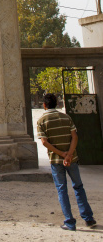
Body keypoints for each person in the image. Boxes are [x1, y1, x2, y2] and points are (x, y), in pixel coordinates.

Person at [37, 92, 97, 231]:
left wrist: (61, 154)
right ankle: (88, 218)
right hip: (72, 159)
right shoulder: (66, 117)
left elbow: (45, 142)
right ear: (57, 104)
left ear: (44, 105)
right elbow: (74, 137)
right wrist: (69, 155)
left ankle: (70, 222)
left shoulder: (42, 120)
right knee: (78, 186)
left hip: (56, 160)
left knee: (62, 190)